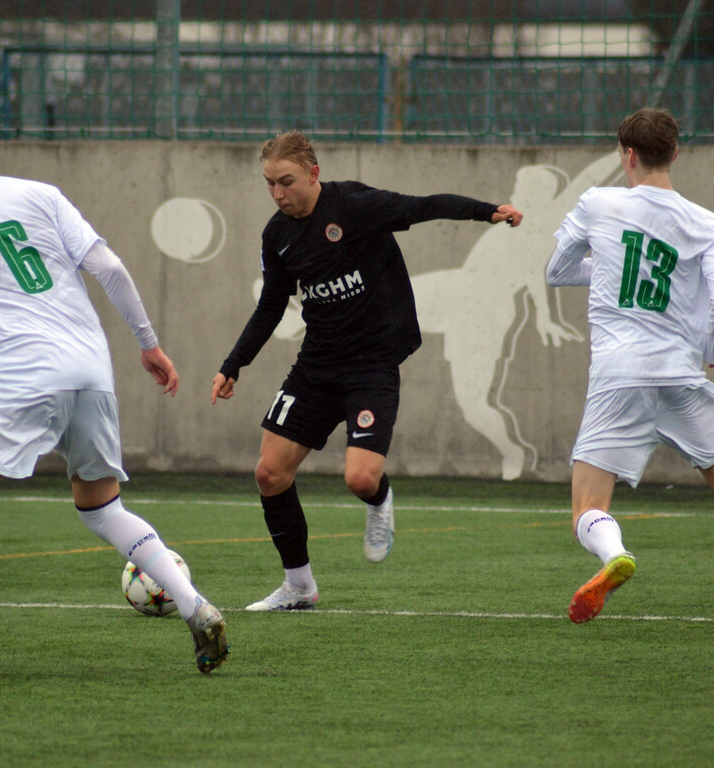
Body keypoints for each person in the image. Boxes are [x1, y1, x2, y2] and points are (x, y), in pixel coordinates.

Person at [0, 90, 228, 678]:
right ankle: (194, 604)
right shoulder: (40, 194)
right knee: (102, 509)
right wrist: (148, 344)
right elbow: (110, 268)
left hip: (27, 370)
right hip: (92, 370)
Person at [211, 129, 523, 611]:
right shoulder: (277, 235)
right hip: (315, 367)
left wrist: (488, 210)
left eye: (286, 182)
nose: (277, 193)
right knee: (270, 473)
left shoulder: (354, 205)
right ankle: (299, 587)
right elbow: (272, 305)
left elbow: (424, 205)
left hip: (371, 368)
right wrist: (234, 364)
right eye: (269, 184)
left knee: (359, 478)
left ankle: (379, 503)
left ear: (314, 175)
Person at [547, 107, 714, 623]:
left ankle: (614, 554)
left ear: (628, 155)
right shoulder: (705, 222)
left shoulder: (599, 203)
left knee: (588, 507)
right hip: (682, 372)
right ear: (676, 154)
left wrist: (610, 261)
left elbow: (557, 270)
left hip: (619, 376)